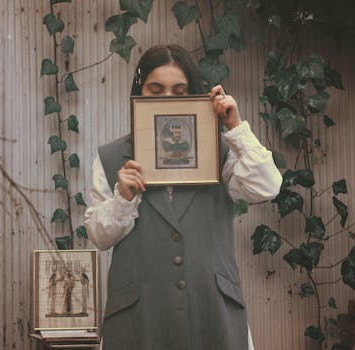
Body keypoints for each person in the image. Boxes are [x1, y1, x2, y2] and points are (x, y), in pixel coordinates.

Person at [84, 44, 282, 350]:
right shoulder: (112, 159)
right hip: (138, 321)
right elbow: (99, 236)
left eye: (179, 91)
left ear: (194, 95)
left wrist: (235, 127)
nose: (167, 100)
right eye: (155, 90)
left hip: (212, 315)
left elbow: (267, 186)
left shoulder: (219, 151)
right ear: (139, 94)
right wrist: (123, 197)